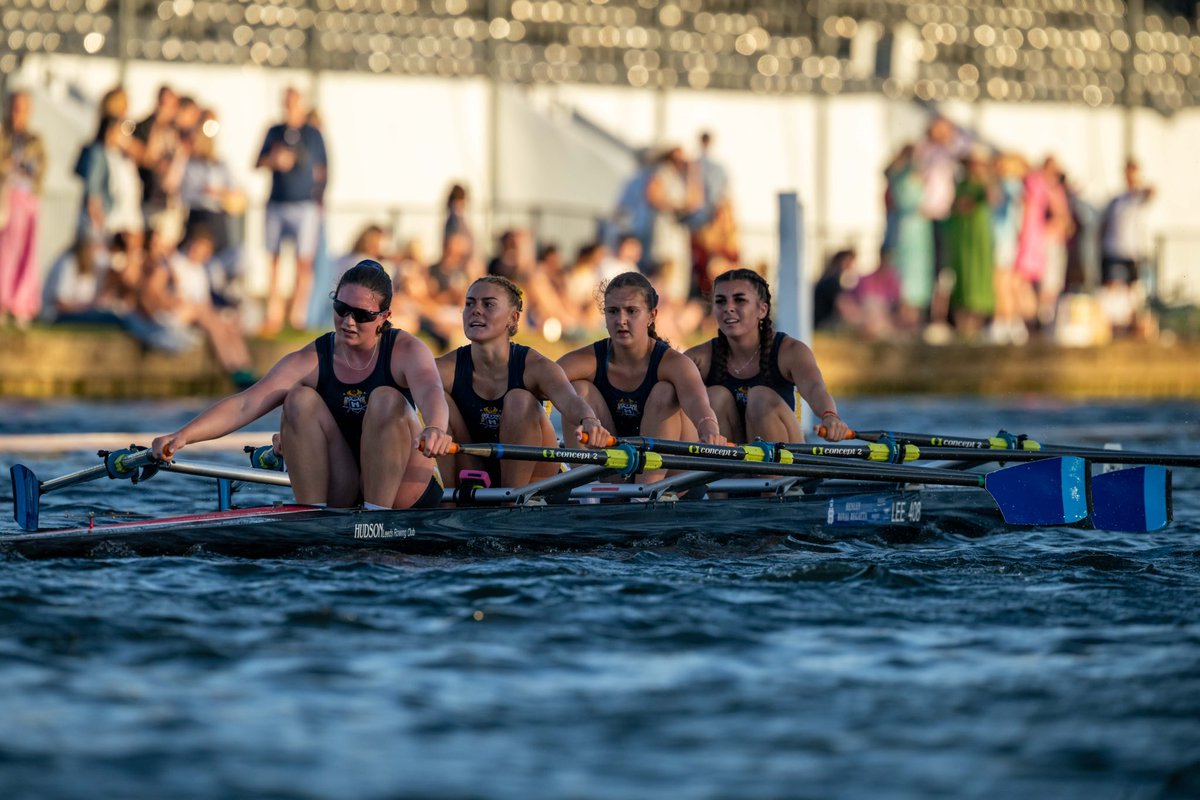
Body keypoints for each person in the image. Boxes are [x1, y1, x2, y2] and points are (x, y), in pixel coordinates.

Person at [152, 261, 452, 510]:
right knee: (298, 399)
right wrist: (183, 436)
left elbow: (430, 390)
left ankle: (376, 517)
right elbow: (246, 403)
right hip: (345, 484)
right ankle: (312, 514)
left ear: (384, 317)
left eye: (361, 315)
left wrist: (436, 427)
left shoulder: (407, 350)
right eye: (341, 309)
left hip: (406, 490)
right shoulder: (312, 358)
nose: (348, 321)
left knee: (387, 398)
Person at [436, 275, 611, 488]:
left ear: (513, 318)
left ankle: (511, 503)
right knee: (437, 399)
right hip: (475, 467)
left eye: (488, 304)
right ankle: (446, 506)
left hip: (535, 477)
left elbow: (569, 399)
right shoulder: (447, 366)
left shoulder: (534, 365)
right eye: (470, 303)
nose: (476, 310)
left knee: (519, 399)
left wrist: (589, 421)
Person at [557, 272, 725, 482]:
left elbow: (697, 402)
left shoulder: (673, 363)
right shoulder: (588, 359)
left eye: (632, 311)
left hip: (672, 476)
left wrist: (709, 429)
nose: (621, 320)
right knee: (577, 390)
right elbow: (542, 381)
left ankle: (644, 494)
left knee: (665, 392)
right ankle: (590, 490)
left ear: (652, 315)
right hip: (616, 470)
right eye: (613, 311)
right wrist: (585, 417)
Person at [685, 268, 853, 445]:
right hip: (734, 458)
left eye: (739, 300)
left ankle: (771, 473)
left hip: (787, 455)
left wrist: (830, 416)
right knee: (714, 396)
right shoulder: (700, 357)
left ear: (762, 310)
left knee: (759, 398)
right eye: (720, 301)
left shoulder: (790, 350)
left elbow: (814, 387)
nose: (728, 308)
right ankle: (733, 471)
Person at [255, 87, 327, 334]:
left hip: (304, 205)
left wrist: (320, 200)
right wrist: (273, 160)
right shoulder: (274, 131)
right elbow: (257, 162)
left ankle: (298, 316)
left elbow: (322, 169)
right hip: (277, 203)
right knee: (274, 260)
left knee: (302, 262)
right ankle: (273, 315)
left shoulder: (312, 134)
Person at [0, 90, 46, 326]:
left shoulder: (33, 141)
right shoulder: (4, 136)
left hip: (26, 203)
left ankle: (20, 302)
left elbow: (37, 172)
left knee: (25, 253)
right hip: (7, 202)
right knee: (5, 252)